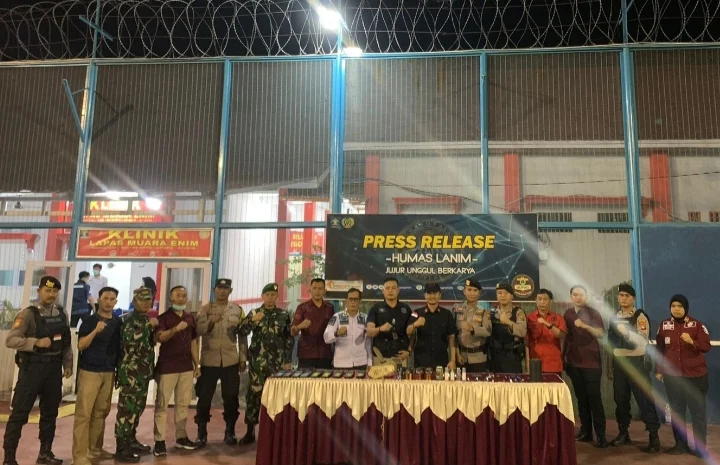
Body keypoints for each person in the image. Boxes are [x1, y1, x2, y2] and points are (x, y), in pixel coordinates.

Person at [3, 276, 72, 465]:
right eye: (47, 290)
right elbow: (11, 340)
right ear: (39, 291)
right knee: (19, 414)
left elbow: (65, 342)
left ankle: (45, 453)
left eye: (55, 291)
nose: (51, 294)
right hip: (32, 370)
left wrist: (68, 365)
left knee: (50, 413)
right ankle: (9, 458)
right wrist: (35, 343)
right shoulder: (28, 314)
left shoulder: (61, 313)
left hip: (53, 370)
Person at [606, 283, 660, 452]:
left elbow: (643, 341)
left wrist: (626, 333)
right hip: (620, 364)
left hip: (637, 364)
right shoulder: (614, 317)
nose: (623, 298)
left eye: (627, 296)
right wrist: (610, 365)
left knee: (645, 400)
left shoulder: (640, 317)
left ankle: (654, 437)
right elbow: (610, 342)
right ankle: (623, 433)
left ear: (633, 299)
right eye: (621, 295)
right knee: (620, 400)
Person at [655, 294, 711, 458]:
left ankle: (700, 448)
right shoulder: (664, 326)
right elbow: (659, 350)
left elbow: (706, 346)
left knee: (697, 413)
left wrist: (692, 341)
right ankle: (680, 445)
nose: (676, 309)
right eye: (673, 306)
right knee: (677, 412)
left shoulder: (697, 325)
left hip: (696, 377)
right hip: (673, 377)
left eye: (680, 306)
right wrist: (659, 370)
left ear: (685, 308)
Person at [237, 283, 293, 445]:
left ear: (277, 297)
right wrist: (251, 321)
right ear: (262, 296)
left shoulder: (283, 315)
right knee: (254, 396)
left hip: (277, 365)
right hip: (258, 364)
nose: (270, 298)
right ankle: (250, 431)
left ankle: (276, 431)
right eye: (267, 295)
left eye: (273, 295)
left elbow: (288, 339)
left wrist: (287, 360)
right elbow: (241, 331)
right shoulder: (254, 313)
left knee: (277, 397)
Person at [72, 287, 122, 465]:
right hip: (90, 372)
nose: (108, 302)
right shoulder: (89, 321)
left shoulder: (117, 322)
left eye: (112, 299)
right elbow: (81, 345)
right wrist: (95, 331)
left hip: (108, 372)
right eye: (105, 298)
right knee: (84, 415)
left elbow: (119, 348)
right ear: (99, 300)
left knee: (101, 412)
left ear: (116, 302)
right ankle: (79, 456)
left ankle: (95, 449)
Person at [195, 279, 247, 446]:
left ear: (230, 291)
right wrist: (211, 322)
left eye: (225, 288)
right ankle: (201, 433)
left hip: (230, 360)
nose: (222, 291)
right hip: (209, 361)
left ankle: (230, 431)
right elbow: (198, 331)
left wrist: (243, 358)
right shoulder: (205, 310)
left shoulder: (238, 310)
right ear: (214, 290)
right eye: (219, 288)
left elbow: (242, 336)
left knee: (231, 398)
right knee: (204, 397)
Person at [153, 286, 200, 456]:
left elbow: (193, 342)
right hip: (168, 367)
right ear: (171, 298)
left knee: (183, 404)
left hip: (186, 367)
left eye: (184, 295)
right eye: (178, 295)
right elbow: (159, 338)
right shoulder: (164, 318)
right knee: (162, 404)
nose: (182, 298)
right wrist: (175, 329)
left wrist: (197, 365)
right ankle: (159, 441)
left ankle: (181, 437)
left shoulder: (189, 317)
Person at [114, 287, 158, 463]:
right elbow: (129, 339)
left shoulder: (145, 318)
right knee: (127, 410)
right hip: (130, 372)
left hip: (143, 373)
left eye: (148, 300)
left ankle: (131, 440)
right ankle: (121, 446)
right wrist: (149, 326)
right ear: (134, 301)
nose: (146, 303)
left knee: (138, 408)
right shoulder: (129, 320)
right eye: (142, 300)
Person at [563, 285, 607, 448]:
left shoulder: (593, 313)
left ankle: (601, 435)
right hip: (574, 363)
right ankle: (586, 432)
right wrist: (564, 357)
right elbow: (566, 336)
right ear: (571, 297)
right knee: (581, 399)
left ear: (586, 297)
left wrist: (585, 326)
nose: (578, 297)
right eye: (575, 295)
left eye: (581, 295)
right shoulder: (568, 314)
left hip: (592, 364)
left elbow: (601, 333)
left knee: (594, 398)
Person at [406, 283, 456, 370]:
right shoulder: (417, 312)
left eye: (435, 293)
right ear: (425, 295)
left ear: (440, 295)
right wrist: (415, 324)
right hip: (421, 361)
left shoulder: (447, 314)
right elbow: (408, 331)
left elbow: (451, 338)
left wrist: (453, 360)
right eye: (429, 293)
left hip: (441, 361)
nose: (432, 296)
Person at [366, 277, 413, 367]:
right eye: (387, 288)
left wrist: (409, 351)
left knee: (402, 377)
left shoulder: (406, 309)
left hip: (401, 358)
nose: (390, 291)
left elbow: (413, 334)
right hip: (380, 358)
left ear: (398, 290)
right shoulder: (375, 309)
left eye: (393, 288)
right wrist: (380, 329)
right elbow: (369, 332)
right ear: (383, 291)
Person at [291, 278, 335, 369]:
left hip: (325, 354)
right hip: (306, 354)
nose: (317, 291)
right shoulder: (302, 308)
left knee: (326, 379)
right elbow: (293, 332)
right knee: (306, 379)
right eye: (314, 288)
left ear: (324, 291)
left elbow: (334, 329)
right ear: (310, 290)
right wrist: (299, 326)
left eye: (320, 288)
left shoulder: (330, 308)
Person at [324, 288, 372, 369]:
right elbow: (326, 338)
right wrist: (337, 333)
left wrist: (370, 362)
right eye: (350, 299)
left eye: (356, 299)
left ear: (360, 301)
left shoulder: (365, 318)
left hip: (361, 362)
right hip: (341, 363)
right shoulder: (337, 317)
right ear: (346, 301)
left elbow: (368, 342)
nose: (353, 302)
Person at [453, 279, 492, 372]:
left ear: (479, 293)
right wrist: (457, 354)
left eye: (475, 290)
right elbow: (454, 334)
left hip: (478, 358)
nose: (472, 293)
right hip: (461, 357)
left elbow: (488, 331)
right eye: (469, 290)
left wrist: (473, 329)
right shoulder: (457, 309)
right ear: (464, 291)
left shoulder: (485, 310)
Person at [525, 289, 566, 375]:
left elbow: (561, 335)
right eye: (539, 299)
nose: (542, 302)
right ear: (536, 301)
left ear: (550, 301)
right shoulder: (530, 318)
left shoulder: (558, 318)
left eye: (545, 299)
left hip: (553, 364)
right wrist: (528, 366)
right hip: (535, 362)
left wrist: (547, 324)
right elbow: (526, 342)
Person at [489, 282, 527, 373]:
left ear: (512, 296)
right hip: (495, 357)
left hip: (512, 356)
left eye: (506, 293)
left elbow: (522, 332)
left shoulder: (518, 312)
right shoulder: (491, 313)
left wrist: (508, 322)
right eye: (500, 293)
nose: (503, 296)